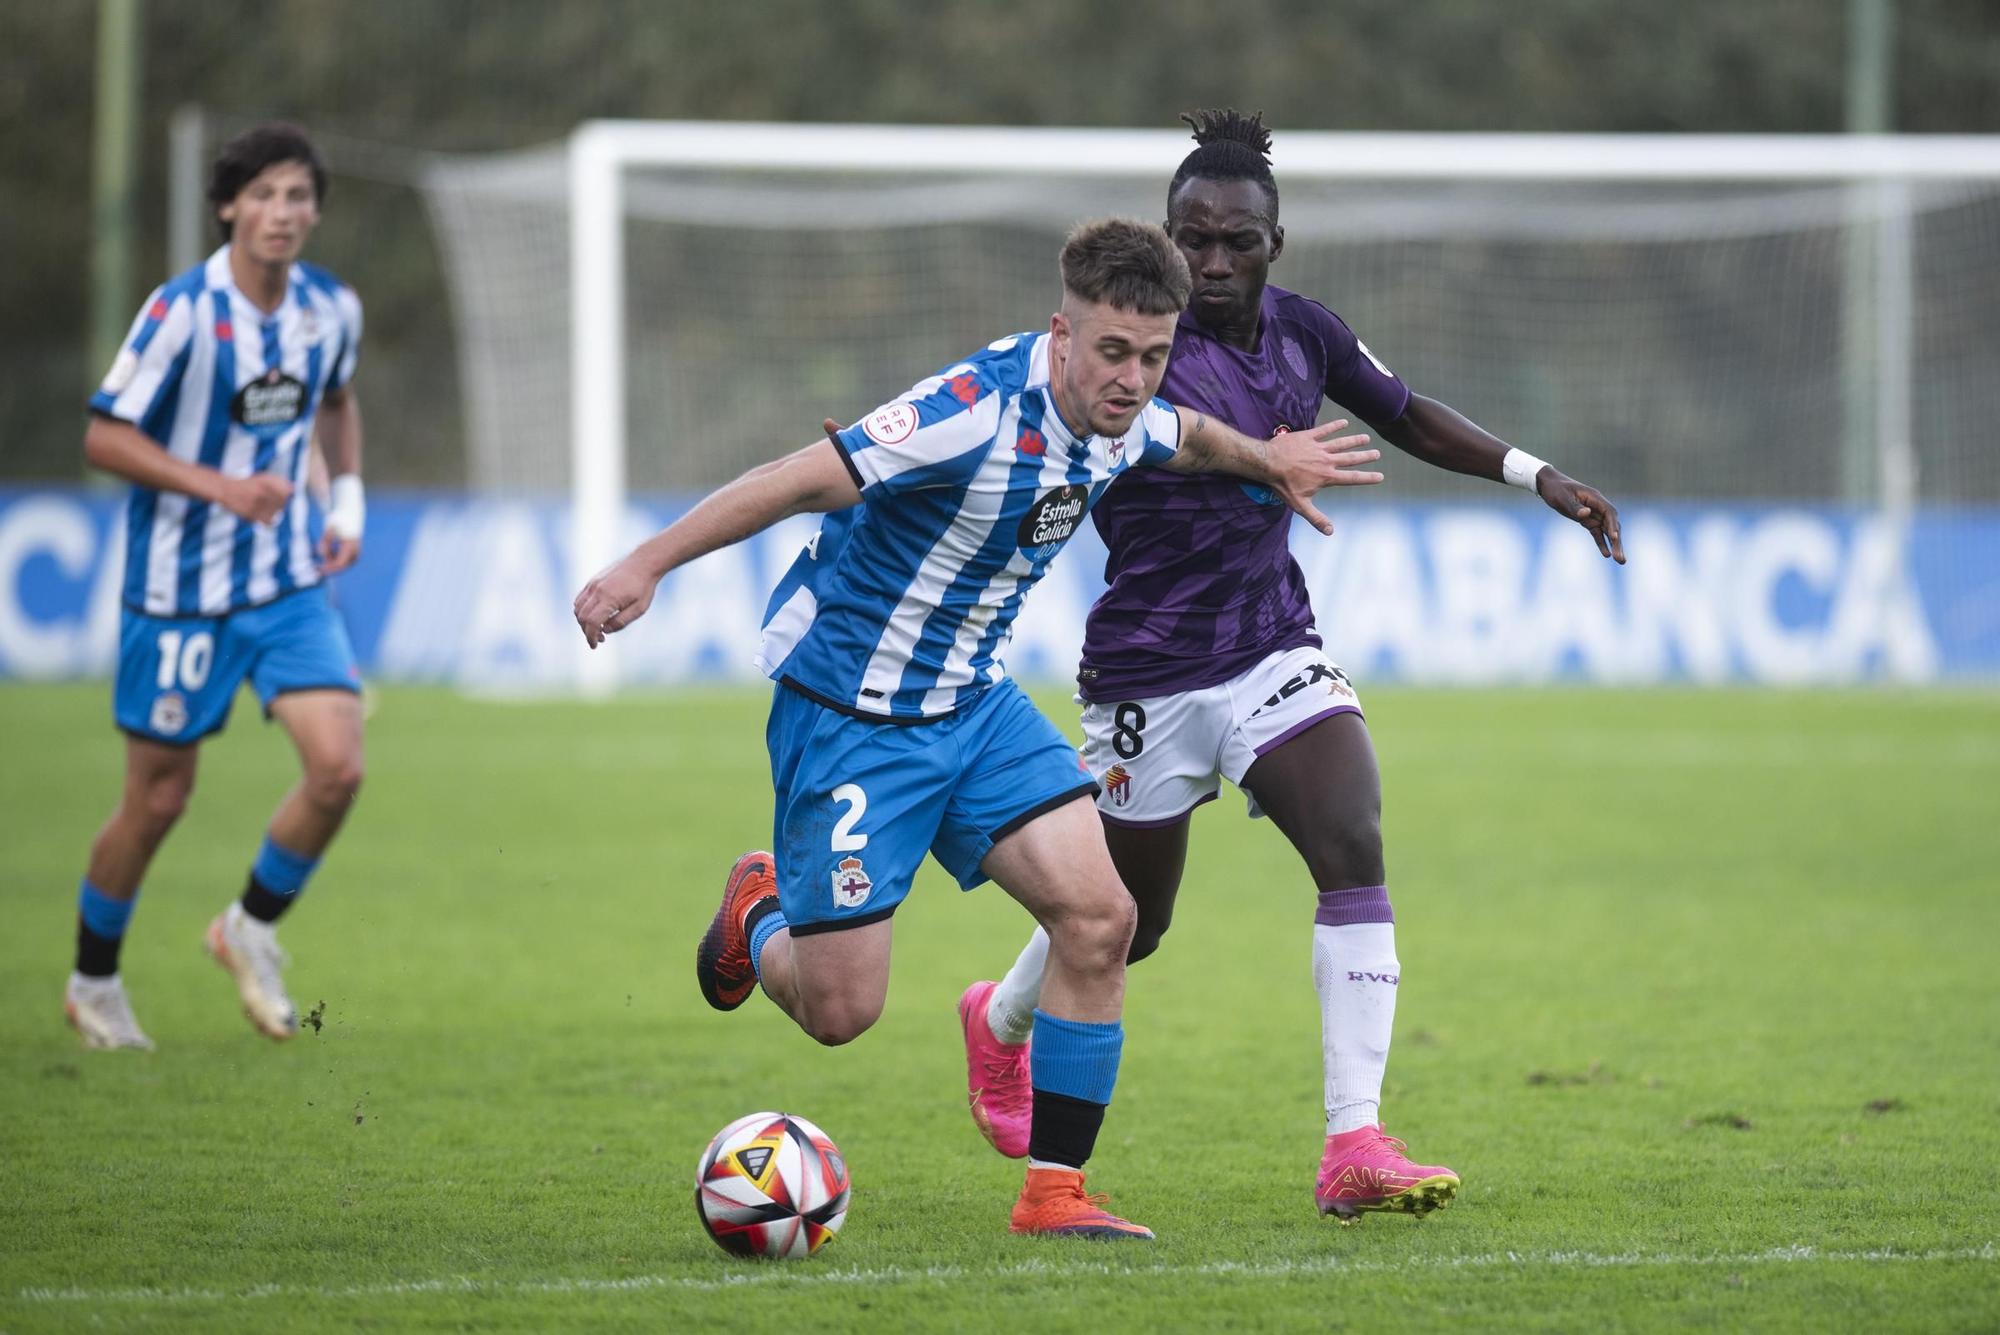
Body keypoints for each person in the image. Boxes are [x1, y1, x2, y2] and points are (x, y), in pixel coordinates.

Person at [573, 218, 1383, 1239]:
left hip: (976, 706)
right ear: (1060, 334)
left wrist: (1266, 460)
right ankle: (758, 912)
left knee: (1101, 918)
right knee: (840, 1014)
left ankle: (1053, 1195)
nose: (1132, 379)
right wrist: (642, 565)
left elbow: (1187, 439)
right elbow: (795, 478)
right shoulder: (968, 411)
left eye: (1153, 355)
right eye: (1111, 353)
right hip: (853, 719)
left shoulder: (1130, 414)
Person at [959, 111, 1626, 1222]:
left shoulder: (1306, 334)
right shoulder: (1131, 351)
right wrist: (1265, 463)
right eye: (1192, 239)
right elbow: (1110, 440)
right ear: (1166, 242)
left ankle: (1352, 1140)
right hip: (1146, 672)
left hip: (1269, 644)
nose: (1212, 261)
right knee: (1130, 924)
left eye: (1236, 242)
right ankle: (998, 1022)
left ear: (1277, 243)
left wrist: (1534, 474)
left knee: (1350, 829)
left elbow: (1404, 416)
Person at [65, 123, 368, 1050]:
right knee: (157, 802)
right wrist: (222, 488)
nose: (283, 213)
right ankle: (94, 981)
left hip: (284, 585)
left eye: (298, 196)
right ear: (230, 205)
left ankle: (247, 926)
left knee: (339, 766)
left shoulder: (330, 309)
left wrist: (344, 502)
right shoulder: (182, 312)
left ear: (315, 210)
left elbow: (338, 400)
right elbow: (105, 436)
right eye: (265, 195)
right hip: (179, 591)